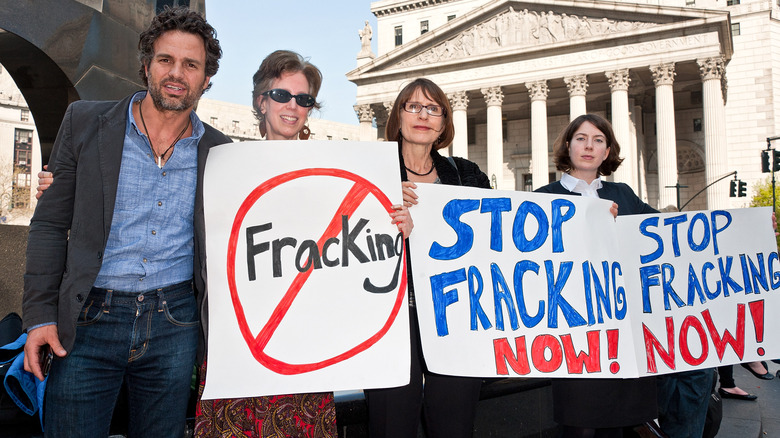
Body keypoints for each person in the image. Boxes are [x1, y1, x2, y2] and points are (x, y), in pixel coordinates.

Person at [22, 6, 230, 437]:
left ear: (206, 78)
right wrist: (39, 316)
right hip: (88, 320)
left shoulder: (221, 150)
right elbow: (48, 226)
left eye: (191, 64)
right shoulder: (84, 123)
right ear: (146, 65)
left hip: (176, 323)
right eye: (165, 60)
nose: (177, 73)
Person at [193, 50, 413, 437]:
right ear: (261, 101)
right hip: (241, 345)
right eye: (281, 95)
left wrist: (398, 224)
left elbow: (363, 249)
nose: (292, 106)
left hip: (308, 346)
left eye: (304, 99)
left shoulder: (337, 171)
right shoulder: (222, 164)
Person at [365, 78, 489, 438]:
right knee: (391, 424)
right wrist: (377, 204)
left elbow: (497, 235)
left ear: (444, 123)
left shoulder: (466, 175)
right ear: (398, 115)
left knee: (454, 424)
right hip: (391, 317)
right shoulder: (370, 173)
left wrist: (594, 215)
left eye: (434, 109)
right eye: (413, 106)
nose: (423, 116)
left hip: (455, 315)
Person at [536, 114, 664, 437]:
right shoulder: (541, 198)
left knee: (616, 428)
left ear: (607, 152)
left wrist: (747, 231)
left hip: (621, 334)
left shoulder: (624, 195)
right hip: (574, 334)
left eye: (598, 140)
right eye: (581, 138)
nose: (589, 146)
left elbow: (671, 234)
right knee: (580, 427)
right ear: (568, 145)